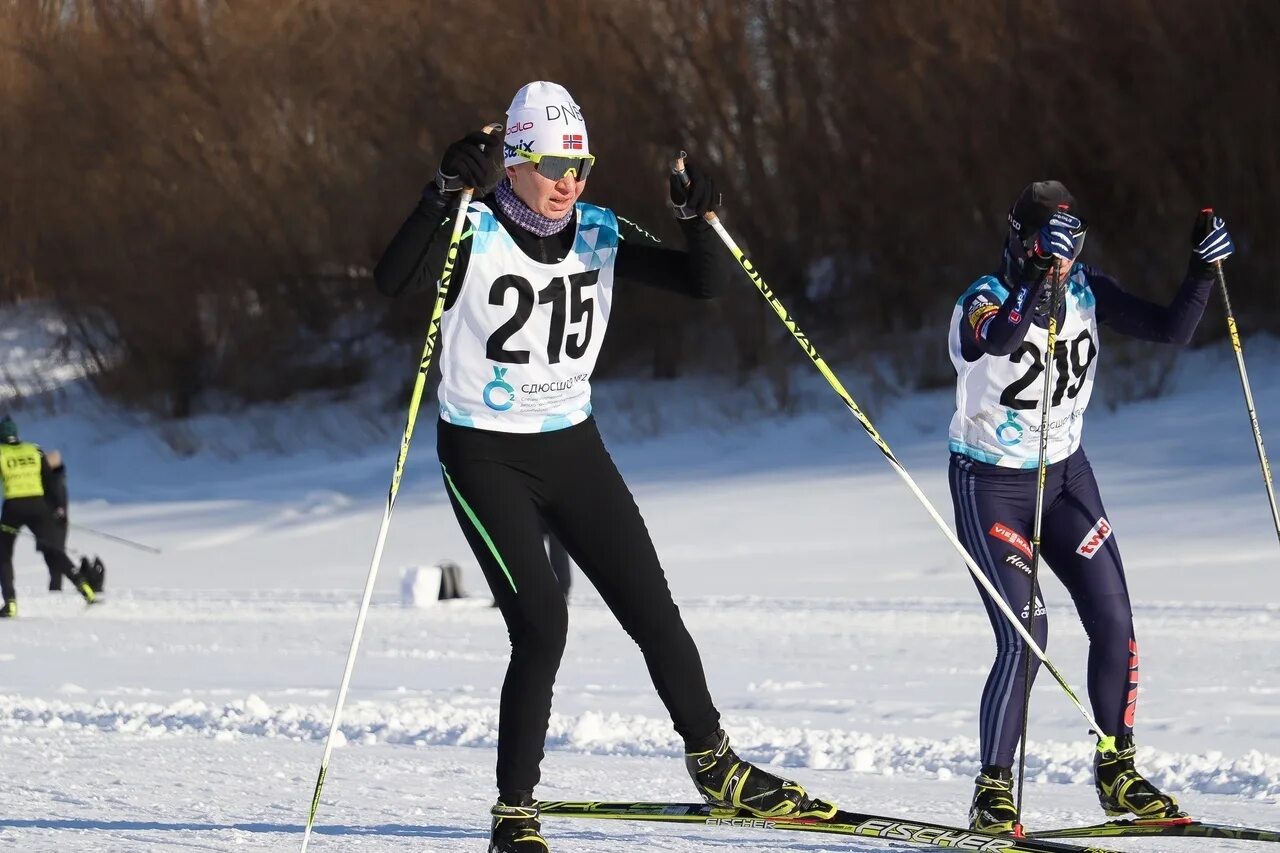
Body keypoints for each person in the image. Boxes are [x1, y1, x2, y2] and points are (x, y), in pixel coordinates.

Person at [374, 81, 834, 852]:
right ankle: (514, 812)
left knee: (652, 608)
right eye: (554, 164)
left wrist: (700, 219)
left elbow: (702, 283)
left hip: (573, 445)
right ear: (514, 163)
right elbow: (394, 281)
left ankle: (715, 762)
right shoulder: (471, 229)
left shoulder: (597, 226)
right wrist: (443, 189)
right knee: (543, 623)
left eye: (581, 166)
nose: (569, 182)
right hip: (486, 453)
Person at [947, 182, 1234, 832]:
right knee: (1027, 635)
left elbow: (1172, 328)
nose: (1060, 263)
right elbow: (998, 340)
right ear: (1017, 241)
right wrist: (1038, 277)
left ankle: (1117, 769)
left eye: (1069, 251)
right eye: (1045, 247)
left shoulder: (1086, 291)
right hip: (991, 483)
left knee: (1115, 618)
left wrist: (1200, 269)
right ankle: (992, 789)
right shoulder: (981, 299)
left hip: (1067, 479)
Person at [0, 416, 98, 616]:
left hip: (14, 507)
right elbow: (51, 482)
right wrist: (59, 509)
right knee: (54, 551)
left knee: (3, 555)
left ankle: (10, 602)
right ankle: (84, 587)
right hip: (39, 506)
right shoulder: (34, 450)